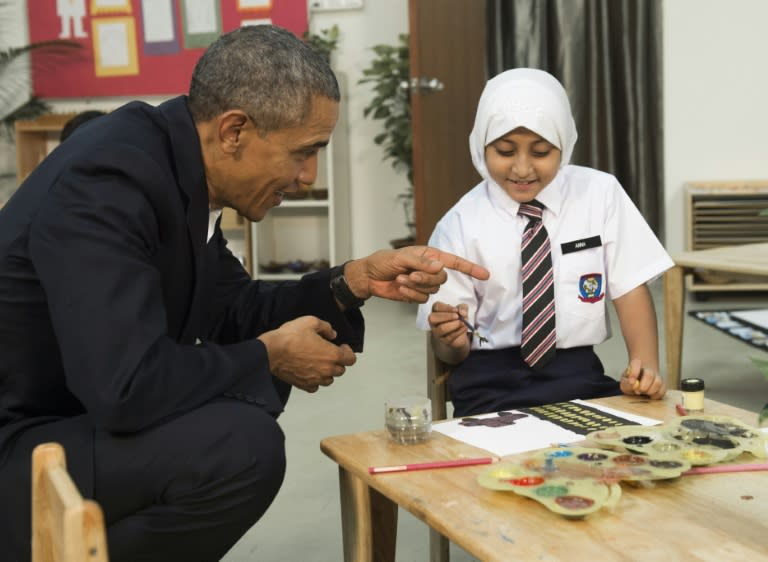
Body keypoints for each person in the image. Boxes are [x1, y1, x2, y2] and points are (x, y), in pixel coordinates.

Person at [0, 25, 489, 562]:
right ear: (234, 130)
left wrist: (351, 281)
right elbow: (126, 386)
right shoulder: (110, 182)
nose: (308, 175)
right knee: (238, 449)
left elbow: (236, 308)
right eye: (304, 152)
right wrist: (269, 353)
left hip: (70, 423)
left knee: (242, 412)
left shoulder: (171, 169)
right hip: (22, 445)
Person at [416, 68, 672, 417]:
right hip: (489, 384)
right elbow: (449, 354)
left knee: (619, 456)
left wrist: (645, 368)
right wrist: (451, 340)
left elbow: (630, 287)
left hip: (579, 376)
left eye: (540, 152)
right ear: (481, 147)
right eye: (505, 151)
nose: (522, 169)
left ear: (563, 146)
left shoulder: (600, 195)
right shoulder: (459, 224)